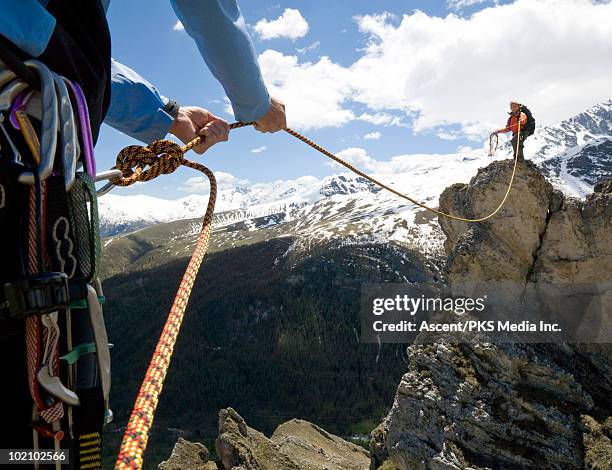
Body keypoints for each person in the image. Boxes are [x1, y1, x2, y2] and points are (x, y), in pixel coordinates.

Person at [0, 1, 285, 467]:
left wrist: (166, 113)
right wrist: (255, 104)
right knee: (43, 401)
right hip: (25, 149)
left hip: (26, 131)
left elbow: (58, 40)